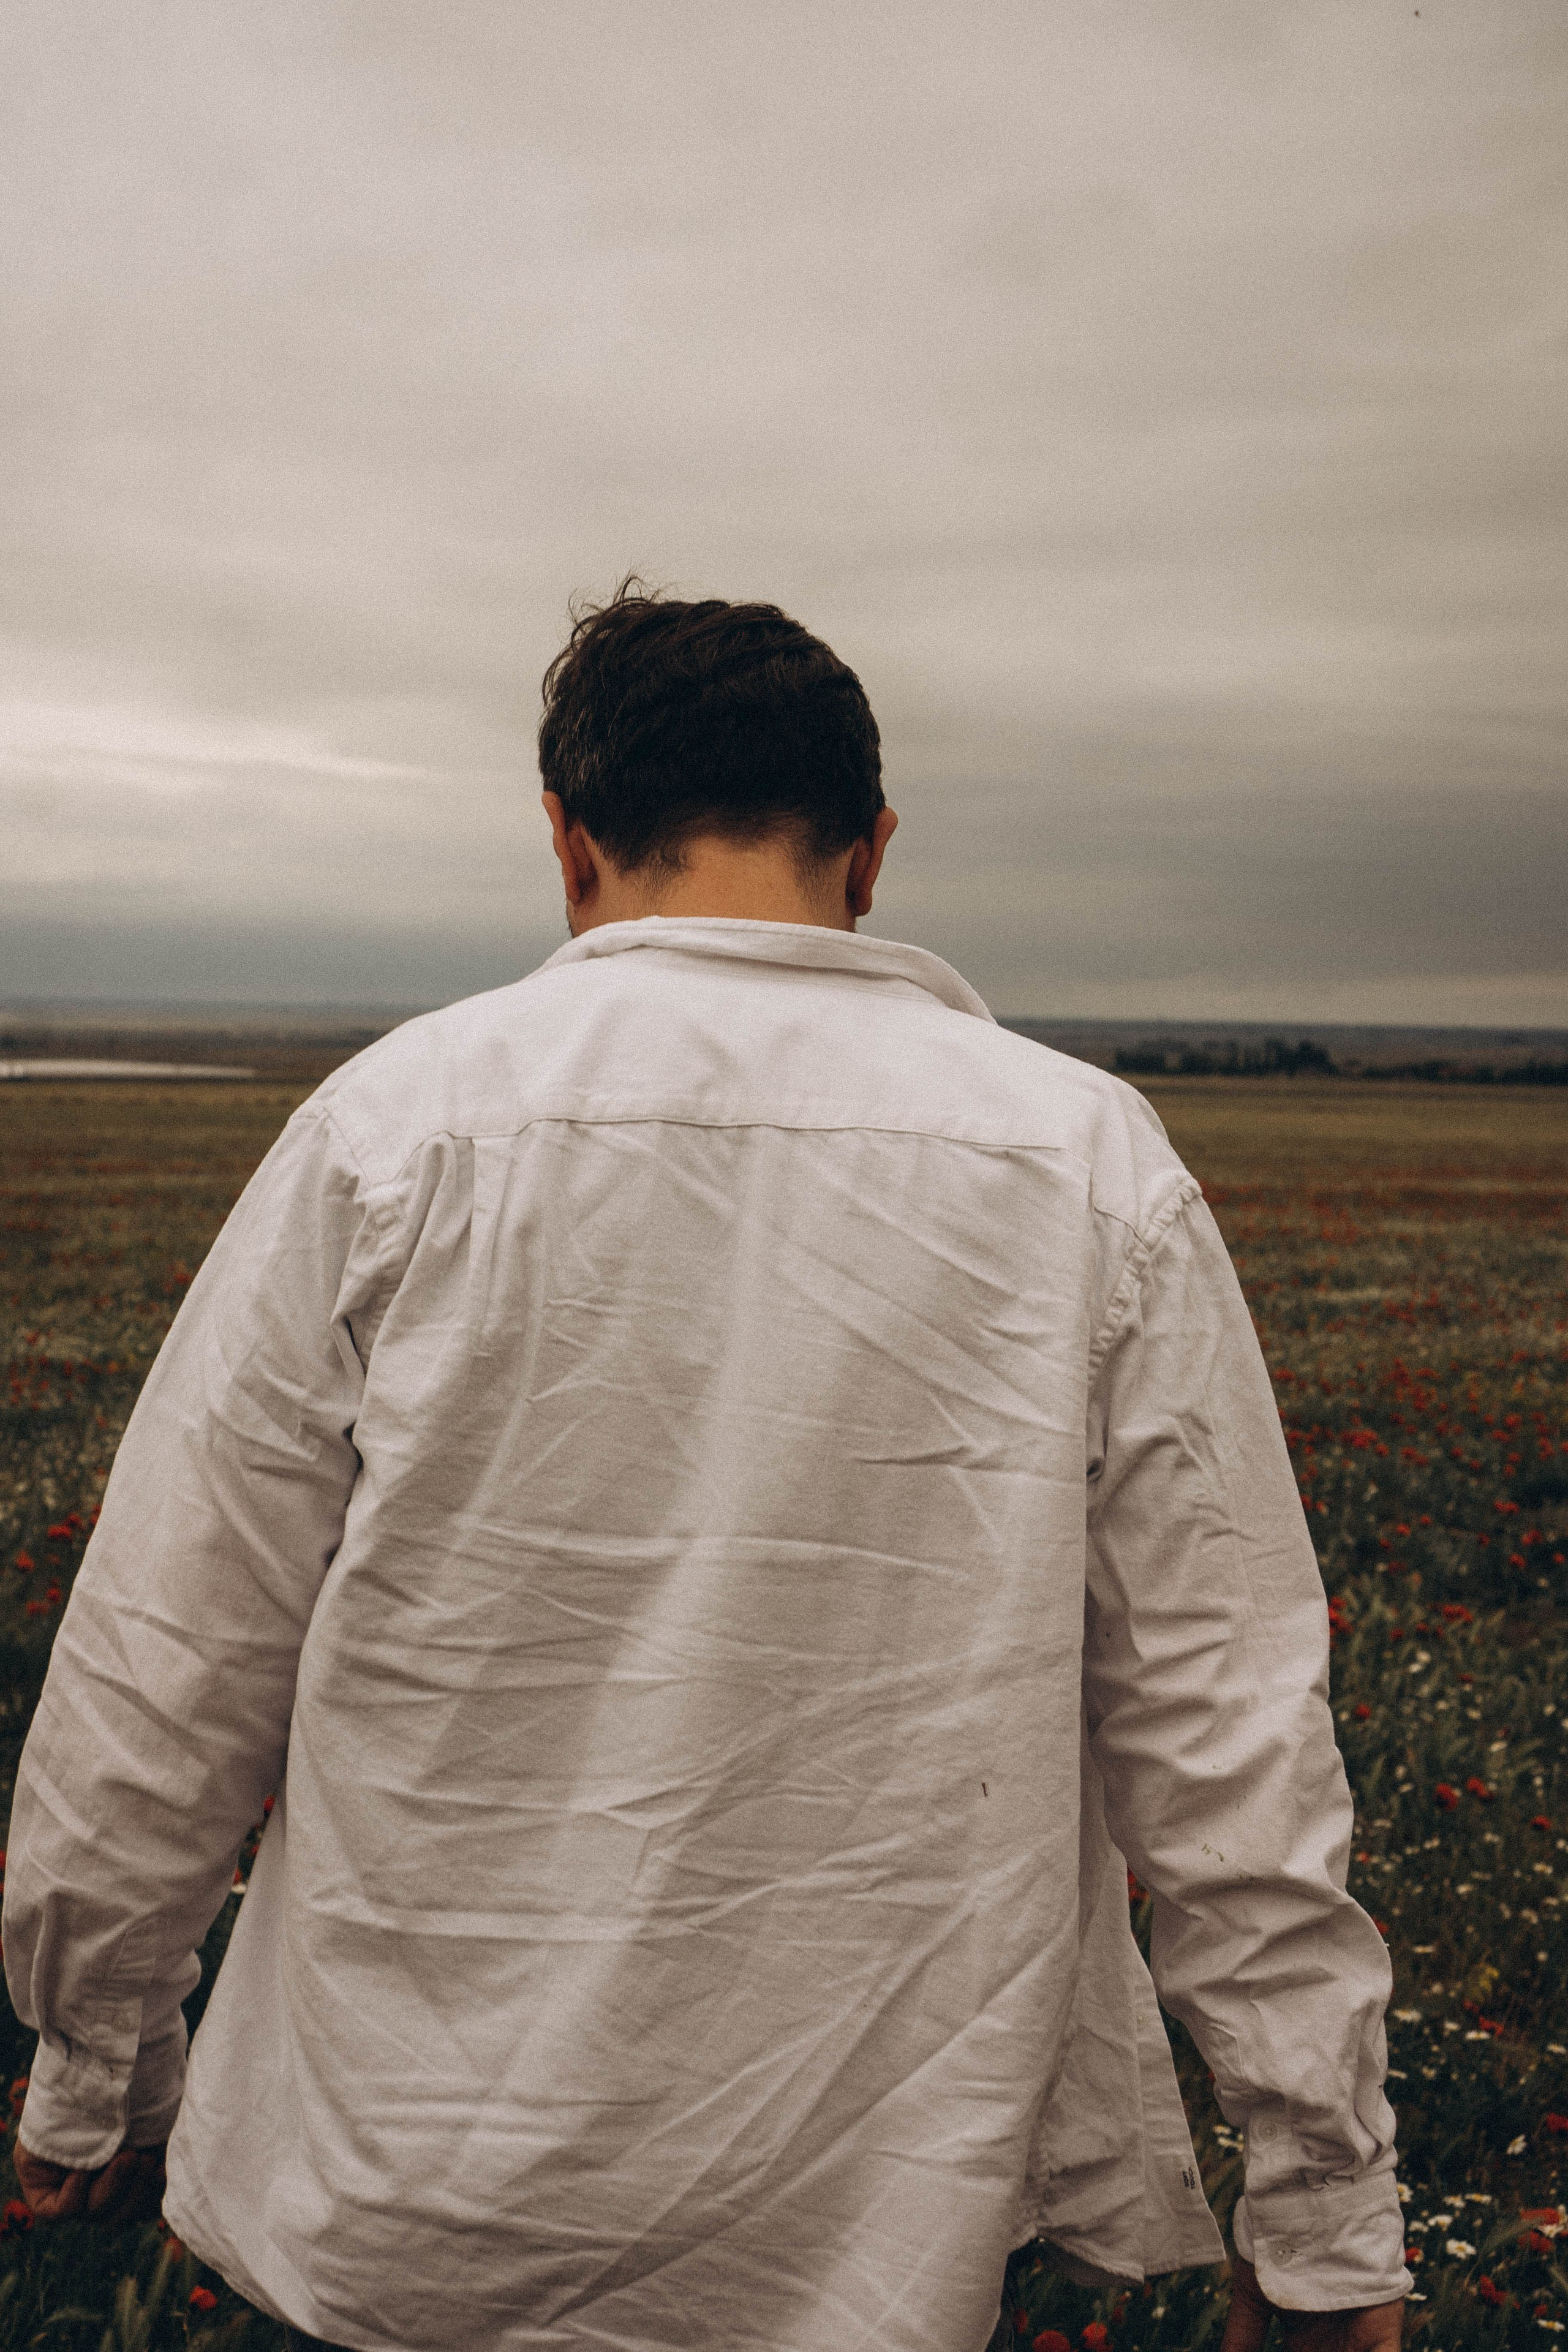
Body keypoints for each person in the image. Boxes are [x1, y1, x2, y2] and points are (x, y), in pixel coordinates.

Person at [3, 584, 1408, 2352]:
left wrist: (96, 2076)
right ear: (874, 851)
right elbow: (1227, 1734)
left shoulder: (387, 1133)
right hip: (878, 2226)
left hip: (403, 2192)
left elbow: (166, 1660)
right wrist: (1324, 2205)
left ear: (569, 846)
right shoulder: (1087, 1168)